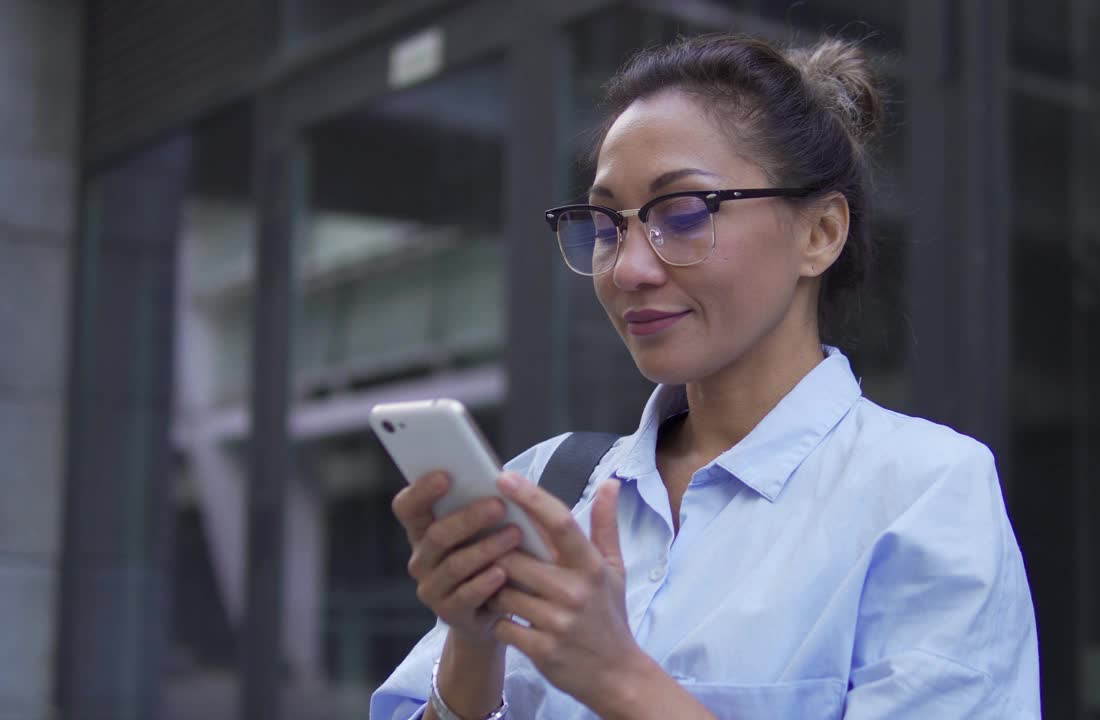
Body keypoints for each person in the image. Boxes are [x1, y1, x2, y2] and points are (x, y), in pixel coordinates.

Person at [371, 32, 1040, 720]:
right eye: (607, 223)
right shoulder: (548, 484)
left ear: (819, 234)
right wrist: (472, 651)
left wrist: (618, 679)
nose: (628, 268)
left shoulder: (923, 492)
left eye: (684, 213)